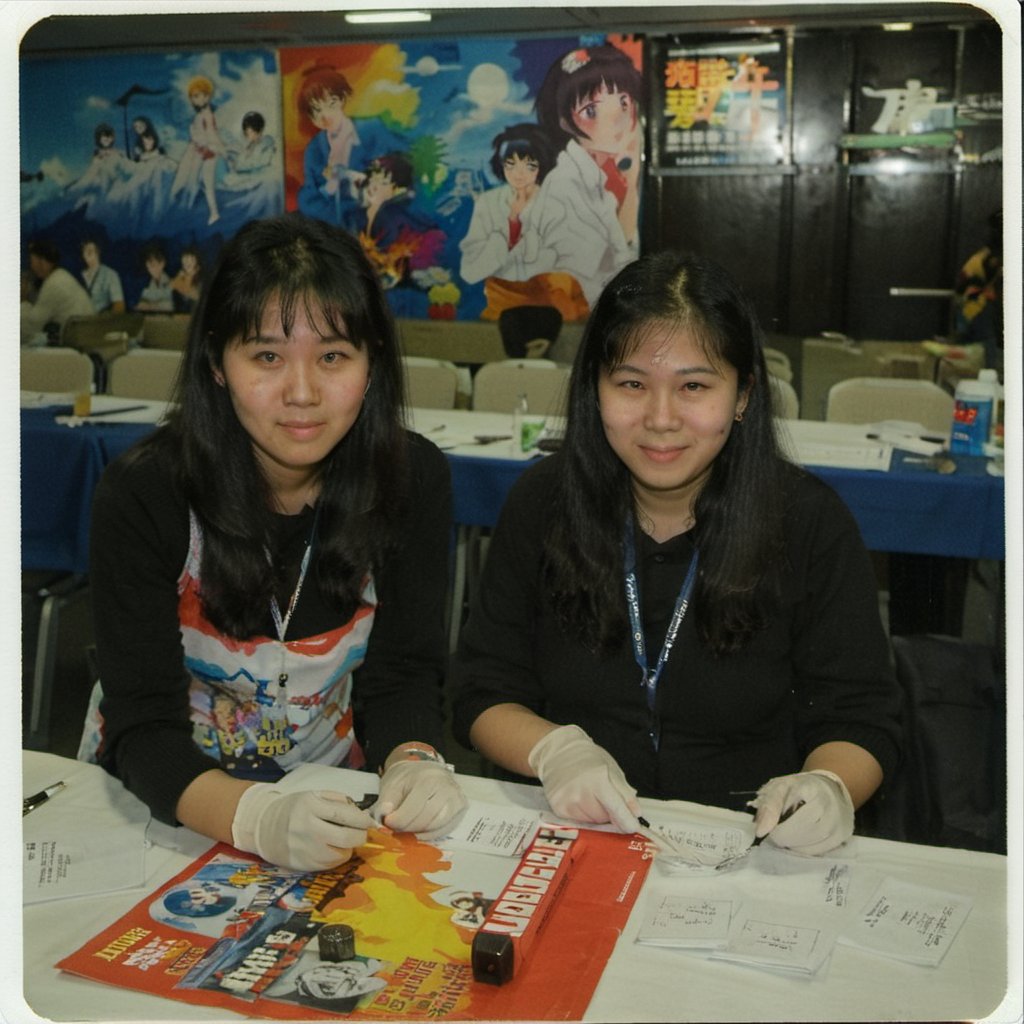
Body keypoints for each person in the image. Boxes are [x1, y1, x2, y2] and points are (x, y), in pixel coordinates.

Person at [451, 250, 902, 857]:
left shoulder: (809, 521)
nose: (661, 419)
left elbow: (861, 717)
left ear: (742, 394)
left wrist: (827, 785)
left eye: (694, 386)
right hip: (573, 831)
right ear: (595, 390)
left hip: (750, 845)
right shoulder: (544, 502)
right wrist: (553, 750)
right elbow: (481, 688)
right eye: (632, 384)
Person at [80, 213, 466, 872]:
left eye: (333, 357)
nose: (302, 393)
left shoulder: (412, 479)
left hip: (330, 806)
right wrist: (252, 815)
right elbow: (141, 724)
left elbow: (403, 676)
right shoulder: (146, 492)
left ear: (372, 363)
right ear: (217, 364)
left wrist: (413, 758)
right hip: (167, 803)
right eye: (266, 356)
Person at [531, 44, 643, 313]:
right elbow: (596, 280)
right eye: (592, 111)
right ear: (565, 123)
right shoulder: (563, 186)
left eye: (623, 102)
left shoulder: (616, 172)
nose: (615, 119)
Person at [459, 122, 585, 323]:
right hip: (499, 303)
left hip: (550, 304)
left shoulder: (558, 205)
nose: (519, 174)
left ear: (541, 166)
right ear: (501, 164)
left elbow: (567, 261)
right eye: (511, 164)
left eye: (529, 165)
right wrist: (509, 226)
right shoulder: (488, 203)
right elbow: (470, 270)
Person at [21, 238, 95, 345]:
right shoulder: (62, 276)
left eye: (32, 261)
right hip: (84, 339)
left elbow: (30, 328)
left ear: (42, 262)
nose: (31, 266)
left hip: (77, 346)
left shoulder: (54, 284)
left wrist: (22, 299)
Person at [79, 238, 125, 313]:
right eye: (84, 251)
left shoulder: (110, 275)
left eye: (90, 251)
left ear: (98, 252)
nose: (86, 254)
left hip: (100, 320)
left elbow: (119, 305)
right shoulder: (79, 275)